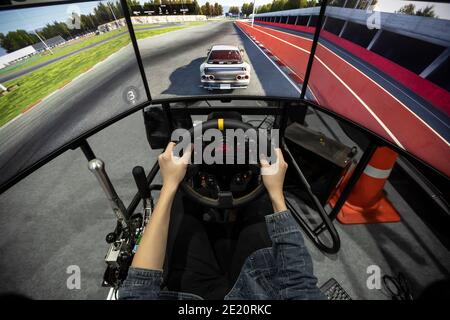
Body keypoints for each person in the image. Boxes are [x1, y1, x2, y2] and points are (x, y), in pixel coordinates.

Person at [120, 142, 324, 300]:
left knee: (182, 203)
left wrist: (170, 185)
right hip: (259, 289)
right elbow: (299, 284)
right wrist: (276, 195)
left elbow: (139, 288)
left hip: (195, 292)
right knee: (259, 204)